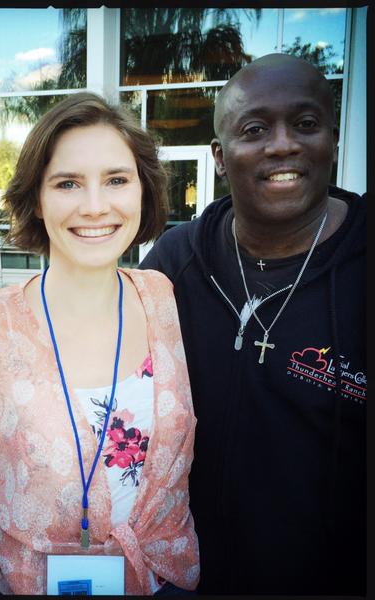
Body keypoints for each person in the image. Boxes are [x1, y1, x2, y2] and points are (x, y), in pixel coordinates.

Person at [0, 92, 200, 595]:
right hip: (33, 584)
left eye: (116, 180)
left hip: (166, 578)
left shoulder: (162, 297)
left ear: (143, 192)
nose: (94, 206)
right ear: (36, 199)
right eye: (67, 183)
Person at [140, 53, 366, 595]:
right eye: (256, 129)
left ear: (333, 139)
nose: (283, 144)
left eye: (306, 124)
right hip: (189, 579)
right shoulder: (175, 262)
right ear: (220, 156)